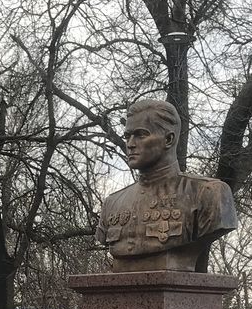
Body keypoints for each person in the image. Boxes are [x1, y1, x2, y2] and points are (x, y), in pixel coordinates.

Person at [95, 98, 238, 272]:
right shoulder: (112, 204)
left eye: (141, 134)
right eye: (127, 136)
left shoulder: (208, 194)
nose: (130, 144)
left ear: (168, 139)